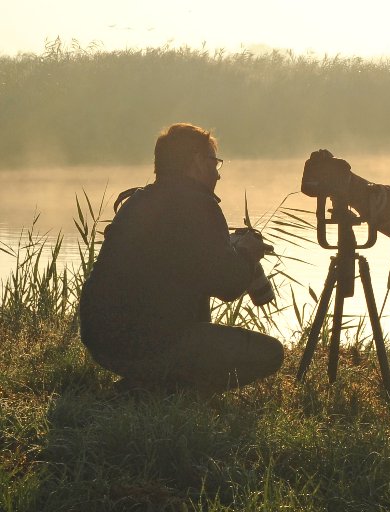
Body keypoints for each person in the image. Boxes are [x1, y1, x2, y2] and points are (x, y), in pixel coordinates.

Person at [79, 123, 284, 394]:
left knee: (187, 312)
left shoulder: (139, 200)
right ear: (197, 162)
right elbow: (228, 286)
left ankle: (148, 382)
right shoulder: (198, 206)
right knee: (271, 353)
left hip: (102, 341)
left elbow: (189, 268)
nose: (218, 174)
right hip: (148, 344)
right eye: (215, 163)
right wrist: (246, 252)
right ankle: (161, 392)